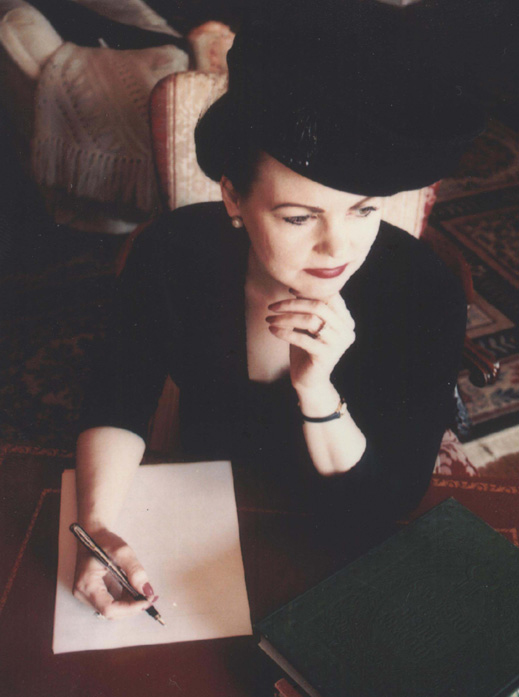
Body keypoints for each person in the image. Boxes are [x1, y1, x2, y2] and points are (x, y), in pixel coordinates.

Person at [73, 4, 483, 619]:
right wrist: (99, 527)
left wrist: (317, 392)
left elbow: (388, 501)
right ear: (233, 198)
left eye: (364, 211)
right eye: (297, 217)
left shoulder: (423, 290)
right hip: (204, 500)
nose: (336, 248)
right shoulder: (173, 251)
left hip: (339, 535)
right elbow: (118, 394)